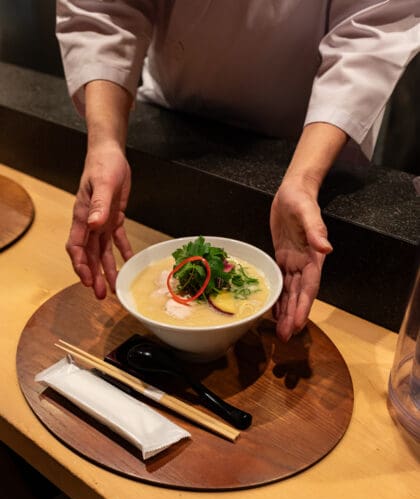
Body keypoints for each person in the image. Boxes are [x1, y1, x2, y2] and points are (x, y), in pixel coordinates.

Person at [56, 0, 419, 342]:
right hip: (176, 122)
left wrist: (303, 180)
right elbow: (103, 9)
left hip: (308, 135)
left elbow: (371, 29)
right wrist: (104, 144)